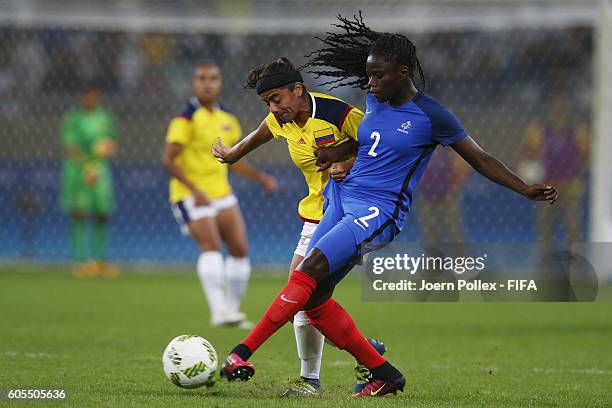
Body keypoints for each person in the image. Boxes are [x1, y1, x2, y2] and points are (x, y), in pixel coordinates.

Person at [217, 13, 558, 397]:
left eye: (378, 76)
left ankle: (242, 352)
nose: (371, 82)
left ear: (403, 71)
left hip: (378, 211)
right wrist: (337, 153)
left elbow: (480, 158)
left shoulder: (432, 115)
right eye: (369, 75)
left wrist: (524, 188)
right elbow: (369, 142)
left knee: (307, 272)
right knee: (312, 300)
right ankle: (383, 373)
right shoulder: (374, 101)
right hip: (341, 198)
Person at [212, 57, 384, 396]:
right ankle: (367, 353)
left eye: (277, 99)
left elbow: (380, 146)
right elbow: (260, 135)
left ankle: (311, 381)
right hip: (316, 216)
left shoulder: (339, 114)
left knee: (301, 294)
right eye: (267, 103)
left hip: (352, 215)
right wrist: (233, 154)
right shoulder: (281, 120)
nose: (273, 108)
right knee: (303, 299)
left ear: (298, 89)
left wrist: (347, 161)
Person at [161, 63, 278, 328]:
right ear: (193, 83)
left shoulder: (228, 118)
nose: (208, 83)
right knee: (211, 246)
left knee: (239, 249)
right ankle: (219, 312)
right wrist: (195, 191)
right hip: (191, 194)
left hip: (222, 193)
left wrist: (260, 178)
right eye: (202, 78)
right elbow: (168, 160)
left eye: (213, 78)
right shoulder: (185, 119)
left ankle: (233, 312)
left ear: (221, 82)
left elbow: (233, 160)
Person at [60, 82, 118, 277]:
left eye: (93, 95)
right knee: (80, 213)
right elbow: (71, 146)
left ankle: (99, 261)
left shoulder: (105, 117)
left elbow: (111, 142)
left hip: (100, 169)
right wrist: (86, 166)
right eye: (87, 95)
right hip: (77, 169)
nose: (90, 99)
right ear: (82, 97)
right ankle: (79, 261)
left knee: (103, 213)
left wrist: (105, 149)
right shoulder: (73, 118)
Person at [521, 93, 588, 256]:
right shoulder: (538, 129)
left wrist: (575, 170)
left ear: (568, 108)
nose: (559, 109)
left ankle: (575, 255)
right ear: (550, 107)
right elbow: (527, 154)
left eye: (563, 105)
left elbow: (585, 155)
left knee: (572, 224)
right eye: (556, 105)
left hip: (570, 185)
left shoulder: (578, 130)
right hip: (546, 185)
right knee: (545, 225)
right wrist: (531, 168)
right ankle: (545, 255)